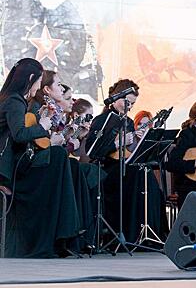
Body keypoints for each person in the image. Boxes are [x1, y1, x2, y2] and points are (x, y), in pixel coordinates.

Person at [0, 58, 81, 257]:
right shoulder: (15, 101)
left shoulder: (10, 98)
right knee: (55, 165)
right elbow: (19, 134)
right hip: (7, 171)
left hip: (11, 165)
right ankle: (52, 236)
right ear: (30, 78)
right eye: (38, 79)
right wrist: (42, 127)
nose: (39, 84)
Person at [84, 79, 165, 244]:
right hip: (107, 169)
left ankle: (147, 233)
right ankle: (130, 233)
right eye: (126, 102)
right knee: (136, 174)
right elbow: (92, 150)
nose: (128, 107)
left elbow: (128, 152)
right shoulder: (102, 120)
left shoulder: (128, 122)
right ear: (115, 97)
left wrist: (138, 141)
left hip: (124, 166)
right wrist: (116, 143)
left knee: (146, 173)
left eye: (132, 104)